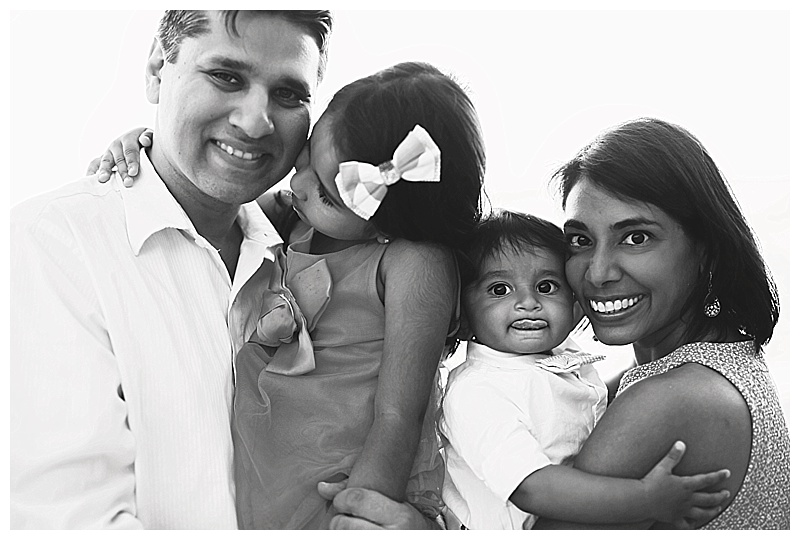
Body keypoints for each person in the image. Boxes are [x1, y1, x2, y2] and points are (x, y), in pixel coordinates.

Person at [87, 61, 485, 529]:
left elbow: (400, 411)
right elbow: (198, 204)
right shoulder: (296, 217)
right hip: (270, 464)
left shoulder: (414, 262)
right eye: (305, 160)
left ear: (393, 219)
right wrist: (148, 152)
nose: (298, 184)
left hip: (353, 473)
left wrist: (361, 507)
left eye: (329, 195)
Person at [10, 10, 332, 529]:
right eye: (226, 76)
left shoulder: (310, 248)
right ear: (158, 70)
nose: (256, 122)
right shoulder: (52, 243)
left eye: (289, 94)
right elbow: (70, 520)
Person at [533, 117, 789, 529]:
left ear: (707, 249)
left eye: (636, 237)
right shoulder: (712, 366)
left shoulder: (670, 400)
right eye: (581, 240)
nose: (597, 273)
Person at [439, 210, 729, 529]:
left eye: (546, 286)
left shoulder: (560, 356)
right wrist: (646, 499)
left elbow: (586, 403)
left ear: (575, 303)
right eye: (499, 290)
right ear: (462, 318)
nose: (528, 302)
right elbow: (531, 488)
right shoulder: (476, 391)